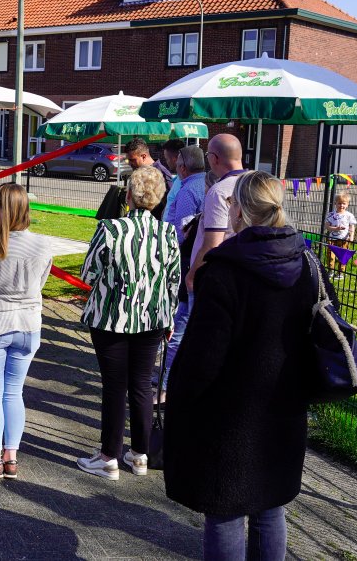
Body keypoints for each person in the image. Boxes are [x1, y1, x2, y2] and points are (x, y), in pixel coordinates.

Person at [165, 171, 319, 560]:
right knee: (270, 504)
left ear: (242, 211)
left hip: (229, 410)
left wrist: (181, 399)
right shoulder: (307, 262)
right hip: (283, 402)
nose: (229, 208)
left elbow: (204, 354)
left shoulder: (225, 270)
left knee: (226, 509)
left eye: (233, 202)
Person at [77, 166, 180, 480]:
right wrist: (169, 315)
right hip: (152, 318)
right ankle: (140, 454)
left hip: (111, 318)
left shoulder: (110, 229)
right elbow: (173, 280)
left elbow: (88, 275)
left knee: (114, 387)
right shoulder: (167, 233)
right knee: (141, 386)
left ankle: (108, 456)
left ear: (129, 196)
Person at [0, 183, 53, 480]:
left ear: (1, 210)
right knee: (14, 391)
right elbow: (41, 283)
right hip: (28, 325)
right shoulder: (43, 246)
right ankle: (11, 456)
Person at [161, 145, 207, 393]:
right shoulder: (205, 183)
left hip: (186, 262)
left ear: (182, 167)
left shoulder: (189, 189)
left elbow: (182, 232)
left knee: (181, 321)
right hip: (196, 260)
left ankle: (168, 382)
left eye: (176, 161)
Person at [187, 133, 246, 293]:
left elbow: (213, 244)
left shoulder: (219, 191)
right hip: (244, 274)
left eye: (208, 156)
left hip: (215, 277)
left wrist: (191, 276)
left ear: (214, 158)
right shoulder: (257, 182)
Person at [125, 138, 171, 220]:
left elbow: (170, 205)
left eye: (132, 160)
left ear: (143, 156)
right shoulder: (138, 172)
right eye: (128, 160)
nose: (130, 163)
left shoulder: (162, 175)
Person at [324, 193, 357, 278]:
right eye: (339, 203)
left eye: (344, 203)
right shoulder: (331, 215)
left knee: (342, 256)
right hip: (332, 239)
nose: (341, 205)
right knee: (330, 255)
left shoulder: (349, 215)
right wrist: (336, 229)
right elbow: (327, 226)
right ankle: (330, 270)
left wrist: (351, 236)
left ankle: (340, 273)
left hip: (344, 239)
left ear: (347, 205)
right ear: (335, 203)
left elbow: (352, 226)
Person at [161, 138, 186, 222]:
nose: (167, 162)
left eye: (167, 159)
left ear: (175, 159)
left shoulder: (184, 183)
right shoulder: (177, 179)